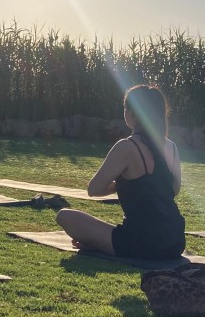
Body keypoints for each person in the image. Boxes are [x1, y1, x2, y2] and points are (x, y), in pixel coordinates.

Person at [56, 84, 185, 258]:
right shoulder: (171, 147)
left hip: (143, 243)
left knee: (64, 216)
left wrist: (119, 185)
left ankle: (99, 243)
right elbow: (174, 190)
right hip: (175, 242)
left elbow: (93, 189)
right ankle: (101, 242)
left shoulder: (127, 146)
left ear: (132, 113)